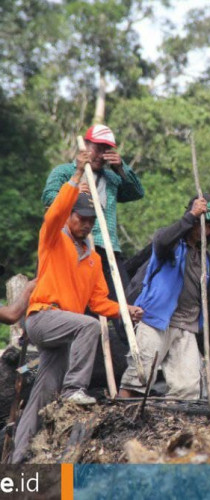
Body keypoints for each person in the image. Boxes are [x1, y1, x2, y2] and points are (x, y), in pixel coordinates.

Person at [12, 152, 143, 464]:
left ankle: (16, 459)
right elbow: (55, 210)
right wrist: (77, 175)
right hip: (42, 317)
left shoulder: (95, 258)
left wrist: (124, 310)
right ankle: (75, 389)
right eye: (79, 218)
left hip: (63, 331)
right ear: (69, 217)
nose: (84, 224)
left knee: (42, 393)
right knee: (88, 326)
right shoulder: (53, 238)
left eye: (89, 220)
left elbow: (98, 301)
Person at [118, 195, 210, 400]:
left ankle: (171, 424)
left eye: (209, 226)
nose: (205, 230)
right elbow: (161, 240)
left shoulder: (204, 258)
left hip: (186, 326)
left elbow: (207, 299)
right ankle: (120, 418)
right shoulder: (171, 246)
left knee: (188, 388)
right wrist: (192, 215)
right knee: (138, 376)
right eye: (201, 224)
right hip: (155, 320)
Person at [41, 125, 144, 340]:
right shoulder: (64, 172)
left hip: (108, 249)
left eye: (107, 150)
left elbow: (136, 193)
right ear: (85, 146)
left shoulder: (112, 178)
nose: (101, 155)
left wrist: (121, 168)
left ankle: (132, 352)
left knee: (123, 302)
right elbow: (49, 199)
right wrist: (74, 191)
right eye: (98, 148)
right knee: (79, 306)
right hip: (74, 248)